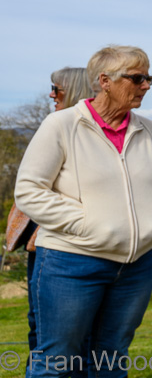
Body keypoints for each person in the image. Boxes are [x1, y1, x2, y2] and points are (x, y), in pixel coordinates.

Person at [15, 45, 152, 378]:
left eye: (149, 78)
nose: (146, 85)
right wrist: (87, 224)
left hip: (136, 267)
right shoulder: (60, 125)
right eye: (137, 78)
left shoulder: (148, 130)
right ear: (105, 80)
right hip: (72, 262)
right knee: (57, 362)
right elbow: (29, 192)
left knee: (112, 360)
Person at [5, 66, 96, 359]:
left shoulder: (92, 136)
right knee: (38, 323)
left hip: (73, 242)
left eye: (56, 89)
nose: (51, 94)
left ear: (73, 92)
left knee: (82, 329)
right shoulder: (52, 127)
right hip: (40, 241)